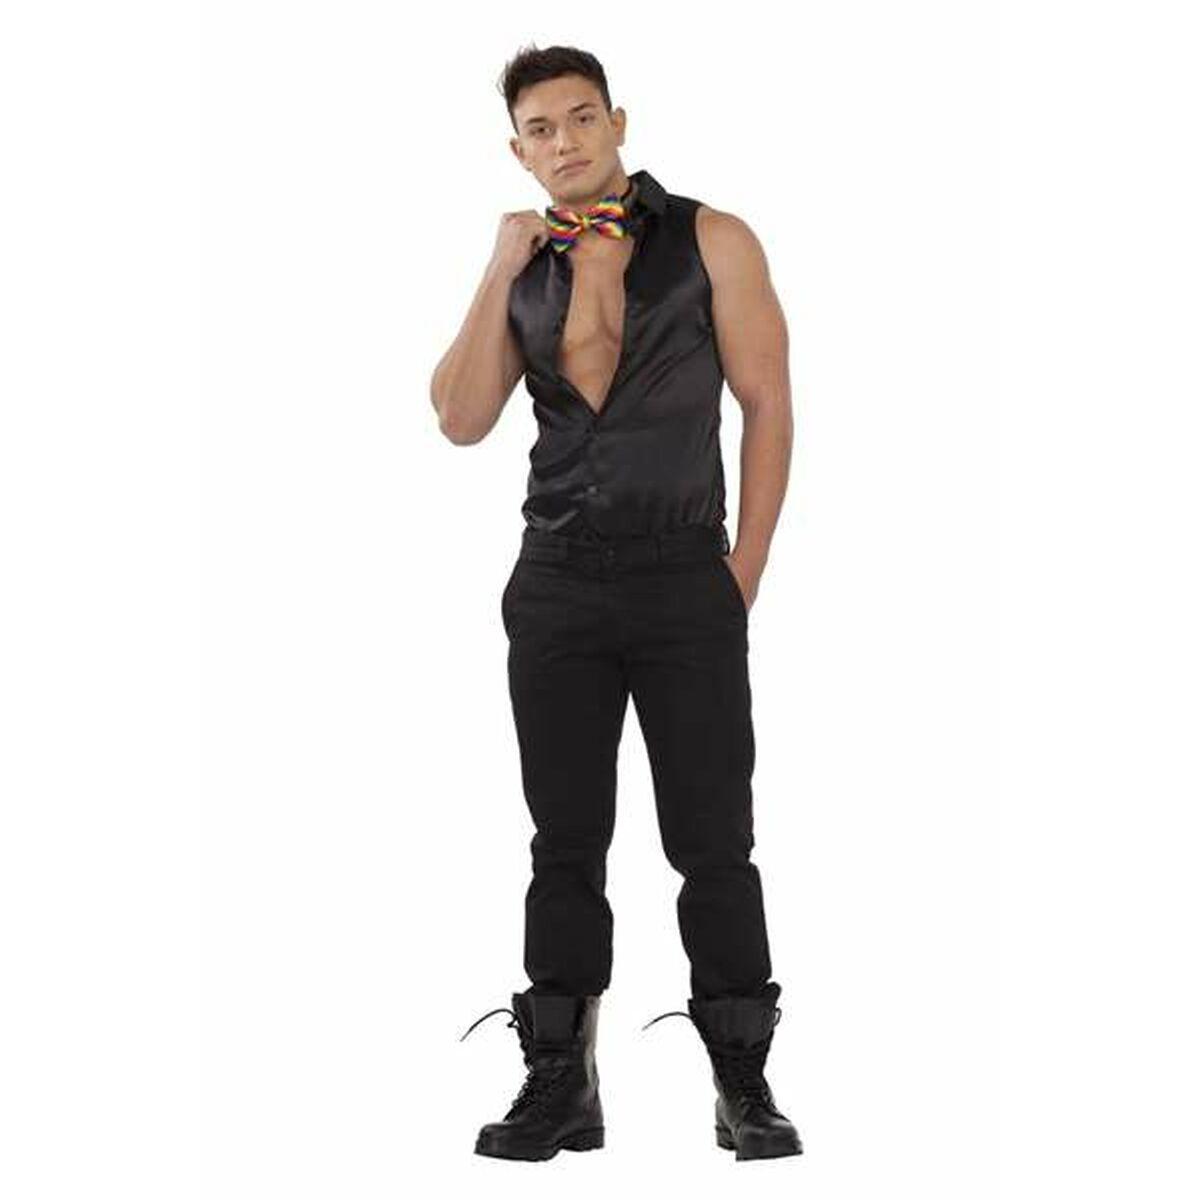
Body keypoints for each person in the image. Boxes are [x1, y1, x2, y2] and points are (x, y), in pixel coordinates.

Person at [431, 43, 801, 1163]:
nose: (565, 142)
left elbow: (768, 403)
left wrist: (742, 569)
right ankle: (562, 1081)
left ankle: (743, 1081)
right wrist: (498, 267)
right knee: (564, 840)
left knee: (713, 839)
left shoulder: (713, 239)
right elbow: (459, 418)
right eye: (541, 130)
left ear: (617, 121)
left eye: (582, 118)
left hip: (686, 572)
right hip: (555, 581)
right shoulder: (525, 264)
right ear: (518, 152)